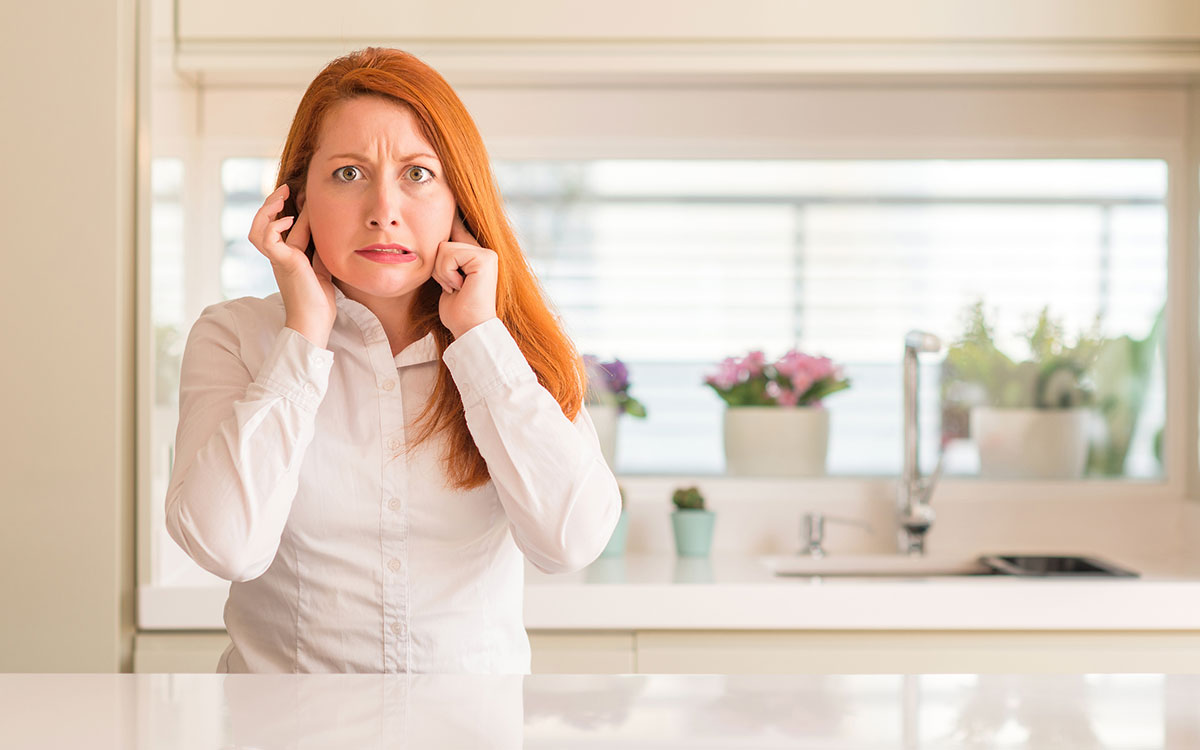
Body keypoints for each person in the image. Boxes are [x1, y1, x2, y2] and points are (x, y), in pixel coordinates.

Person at [164, 47, 622, 674]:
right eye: (349, 173)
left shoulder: (509, 349)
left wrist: (480, 340)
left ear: (460, 197)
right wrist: (303, 336)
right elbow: (226, 548)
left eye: (418, 174)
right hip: (282, 723)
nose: (384, 211)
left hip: (467, 723)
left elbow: (571, 542)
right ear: (296, 199)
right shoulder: (235, 337)